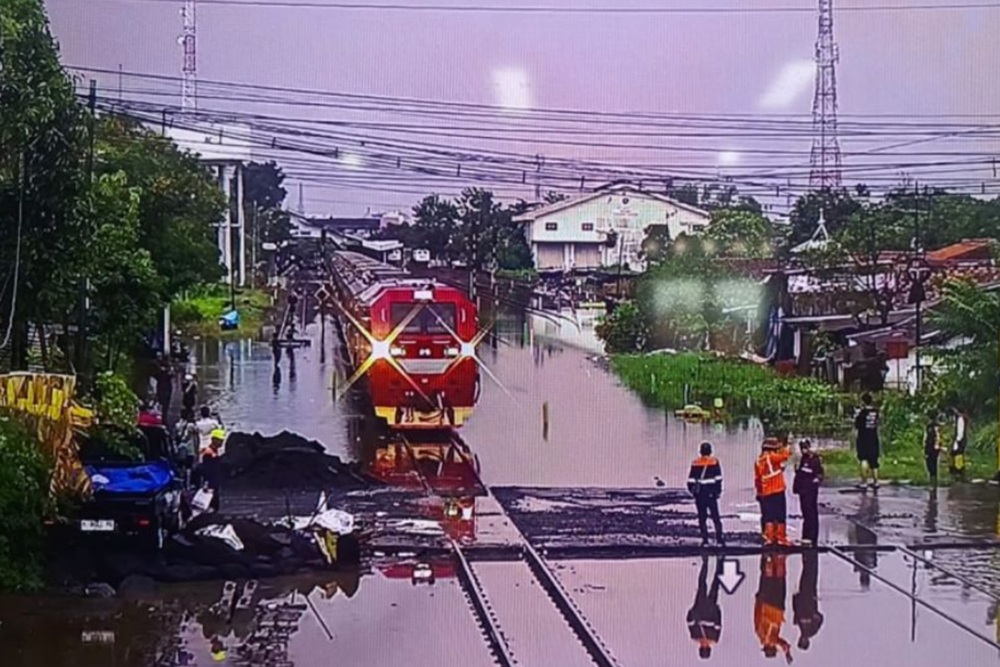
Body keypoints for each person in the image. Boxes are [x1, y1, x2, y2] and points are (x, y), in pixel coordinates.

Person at [755, 553, 793, 663]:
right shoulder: (761, 635)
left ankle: (779, 557)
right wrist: (758, 600)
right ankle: (770, 556)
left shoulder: (769, 639)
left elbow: (782, 644)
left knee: (779, 580)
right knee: (769, 578)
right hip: (766, 604)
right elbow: (756, 615)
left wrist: (787, 652)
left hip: (778, 608)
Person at [687, 441, 725, 547]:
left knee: (702, 518)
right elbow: (718, 478)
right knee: (716, 517)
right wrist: (718, 492)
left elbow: (690, 481)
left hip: (700, 495)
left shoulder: (695, 463)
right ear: (710, 451)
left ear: (700, 452)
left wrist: (694, 492)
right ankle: (719, 540)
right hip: (711, 494)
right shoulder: (714, 461)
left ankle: (705, 541)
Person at [755, 437, 792, 547]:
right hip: (778, 489)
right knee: (780, 515)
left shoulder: (758, 461)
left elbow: (757, 479)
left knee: (769, 516)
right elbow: (785, 456)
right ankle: (781, 538)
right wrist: (785, 446)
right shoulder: (772, 457)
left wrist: (759, 492)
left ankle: (769, 538)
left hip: (766, 491)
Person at [687, 556, 723, 660]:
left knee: (709, 584)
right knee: (707, 584)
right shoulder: (696, 636)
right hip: (704, 607)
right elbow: (718, 624)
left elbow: (718, 624)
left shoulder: (712, 638)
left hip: (706, 607)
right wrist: (693, 611)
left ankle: (713, 562)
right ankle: (710, 562)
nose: (704, 645)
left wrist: (717, 610)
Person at [792, 439, 824, 547]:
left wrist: (817, 480)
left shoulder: (814, 459)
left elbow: (819, 474)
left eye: (805, 447)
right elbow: (799, 473)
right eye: (802, 448)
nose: (804, 450)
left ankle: (812, 536)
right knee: (805, 512)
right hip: (803, 490)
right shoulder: (803, 459)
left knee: (811, 513)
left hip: (810, 490)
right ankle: (805, 536)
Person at [792, 551, 824, 652]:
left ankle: (807, 554)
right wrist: (813, 614)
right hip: (810, 596)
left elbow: (796, 611)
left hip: (802, 595)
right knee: (811, 573)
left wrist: (795, 598)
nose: (802, 639)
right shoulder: (812, 630)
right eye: (803, 642)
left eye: (801, 641)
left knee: (805, 573)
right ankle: (812, 554)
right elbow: (820, 618)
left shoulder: (800, 627)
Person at [854, 393, 881, 488]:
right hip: (873, 437)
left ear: (863, 401)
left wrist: (857, 414)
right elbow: (878, 422)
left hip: (863, 438)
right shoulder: (875, 411)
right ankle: (876, 481)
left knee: (863, 459)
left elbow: (857, 425)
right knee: (874, 460)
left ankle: (864, 482)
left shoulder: (862, 413)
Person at [950, 406, 969, 478]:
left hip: (960, 439)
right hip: (962, 439)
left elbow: (960, 431)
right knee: (959, 454)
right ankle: (959, 468)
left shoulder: (960, 419)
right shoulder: (963, 418)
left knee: (957, 453)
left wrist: (957, 441)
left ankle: (958, 469)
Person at [925, 410, 941, 483]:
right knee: (930, 463)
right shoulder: (929, 426)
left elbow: (937, 436)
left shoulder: (935, 426)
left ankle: (933, 480)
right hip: (929, 446)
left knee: (932, 464)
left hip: (933, 446)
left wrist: (937, 444)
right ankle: (932, 479)